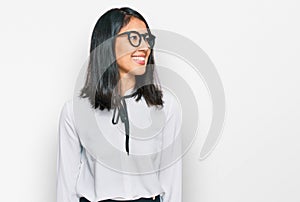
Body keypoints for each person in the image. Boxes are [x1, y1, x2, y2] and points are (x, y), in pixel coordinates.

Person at [56, 7, 182, 202]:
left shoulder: (166, 107)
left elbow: (171, 181)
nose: (144, 47)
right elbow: (66, 187)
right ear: (108, 43)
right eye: (133, 38)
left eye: (147, 39)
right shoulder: (74, 111)